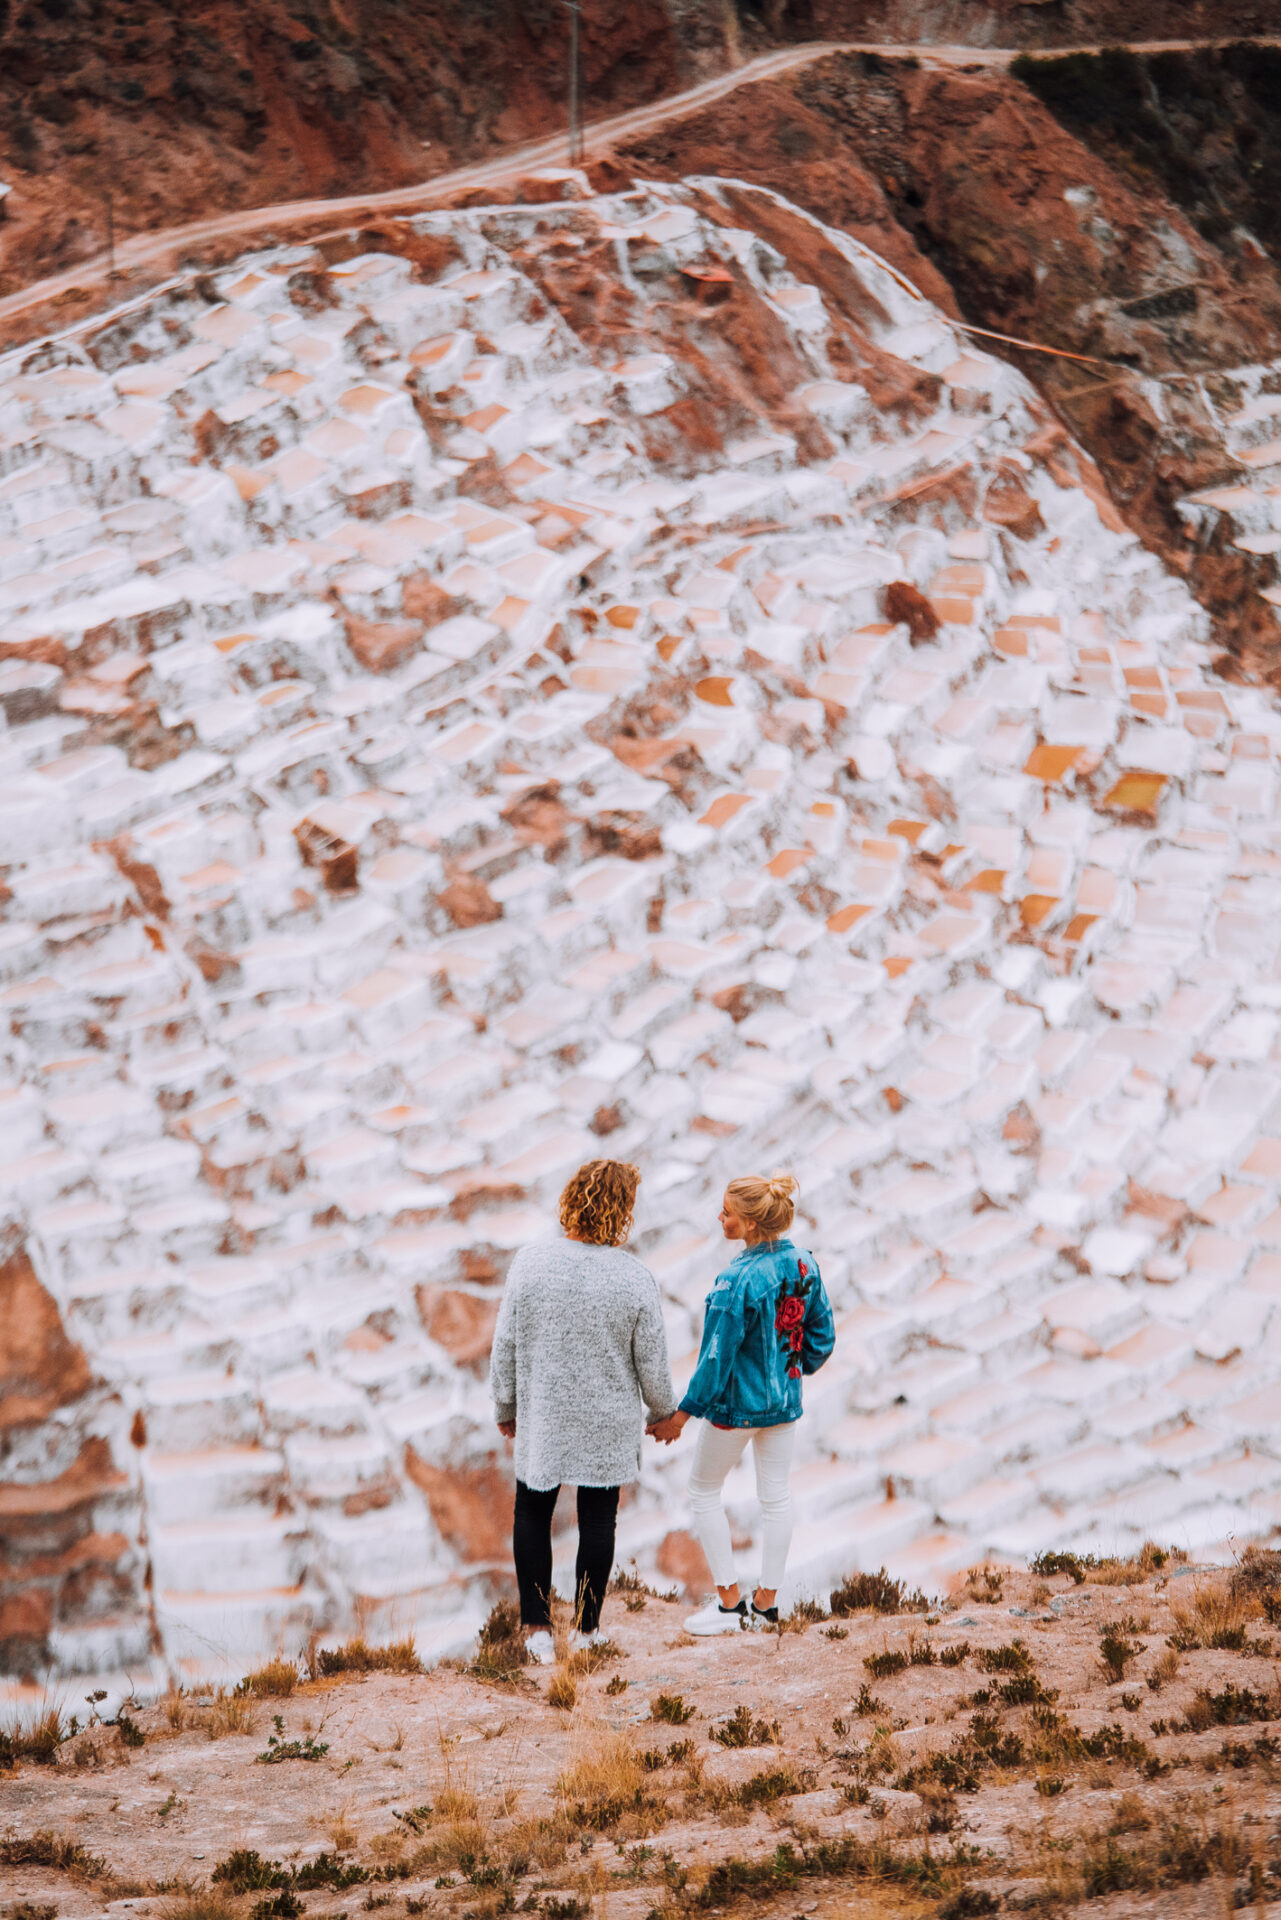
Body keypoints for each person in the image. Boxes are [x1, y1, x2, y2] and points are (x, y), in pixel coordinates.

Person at [490, 1158, 676, 1663]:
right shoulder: (634, 1278)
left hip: (545, 1413)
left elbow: (504, 1342)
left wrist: (505, 1405)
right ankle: (589, 1630)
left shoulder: (530, 1262)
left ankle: (536, 1631)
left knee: (532, 1511)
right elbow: (651, 1359)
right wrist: (664, 1412)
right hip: (606, 1419)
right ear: (623, 1210)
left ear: (571, 1199)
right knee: (598, 1521)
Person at [648, 1173, 834, 1633]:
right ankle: (767, 1602)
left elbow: (715, 1360)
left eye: (727, 1212)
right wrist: (791, 1367)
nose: (720, 1217)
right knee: (776, 1497)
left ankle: (730, 1604)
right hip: (784, 1404)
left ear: (749, 1224)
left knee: (703, 1491)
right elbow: (823, 1337)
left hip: (736, 1411)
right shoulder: (804, 1264)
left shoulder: (735, 1283)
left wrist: (681, 1417)